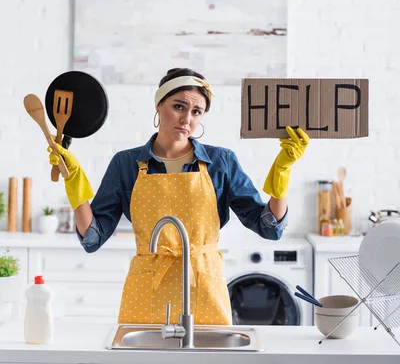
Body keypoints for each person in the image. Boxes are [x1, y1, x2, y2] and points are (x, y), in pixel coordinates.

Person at [49, 67, 309, 326]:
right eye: (179, 106)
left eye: (196, 112)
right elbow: (92, 238)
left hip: (204, 286)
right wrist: (74, 182)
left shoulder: (222, 162)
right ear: (159, 104)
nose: (187, 119)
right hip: (148, 288)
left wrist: (282, 170)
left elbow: (269, 227)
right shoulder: (125, 164)